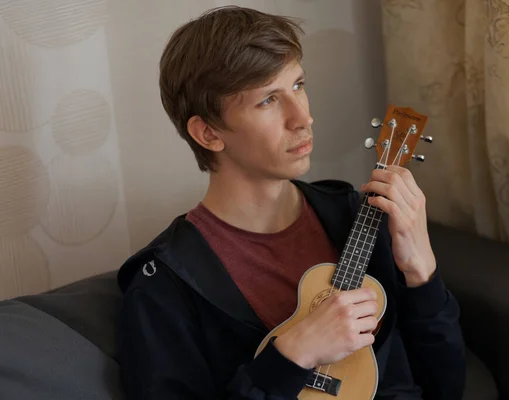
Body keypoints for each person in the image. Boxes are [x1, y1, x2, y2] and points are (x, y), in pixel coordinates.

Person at [116, 5, 466, 400]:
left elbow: (445, 386)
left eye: (298, 85)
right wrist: (290, 356)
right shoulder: (165, 282)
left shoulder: (354, 214)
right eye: (268, 100)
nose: (303, 118)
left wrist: (421, 273)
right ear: (209, 133)